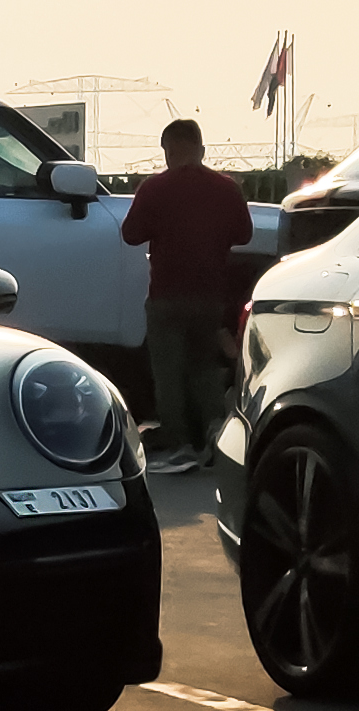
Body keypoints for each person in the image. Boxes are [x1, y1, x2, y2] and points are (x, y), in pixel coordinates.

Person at [121, 119, 253, 474]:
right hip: (210, 296)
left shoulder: (154, 189)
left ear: (170, 149)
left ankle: (179, 443)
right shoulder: (227, 189)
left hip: (166, 295)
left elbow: (131, 234)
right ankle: (213, 433)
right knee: (203, 369)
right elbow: (244, 234)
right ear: (201, 148)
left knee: (168, 373)